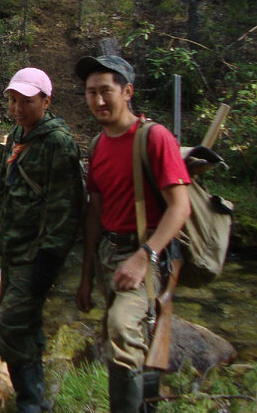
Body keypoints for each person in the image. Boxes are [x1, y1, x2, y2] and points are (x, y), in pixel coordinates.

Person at [73, 55, 191, 412]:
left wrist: (145, 257)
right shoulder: (97, 145)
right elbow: (96, 210)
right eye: (91, 93)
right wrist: (86, 274)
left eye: (106, 91)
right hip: (109, 253)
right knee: (123, 337)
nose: (99, 101)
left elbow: (180, 207)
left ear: (127, 92)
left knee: (123, 329)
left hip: (146, 255)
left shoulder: (154, 138)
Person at [0, 67, 83, 412]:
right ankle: (34, 401)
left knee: (10, 326)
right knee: (25, 327)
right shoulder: (17, 137)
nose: (18, 108)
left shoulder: (58, 144)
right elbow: (8, 198)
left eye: (27, 101)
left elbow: (68, 211)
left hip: (37, 258)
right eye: (13, 101)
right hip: (14, 254)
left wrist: (46, 264)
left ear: (46, 101)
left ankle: (32, 403)